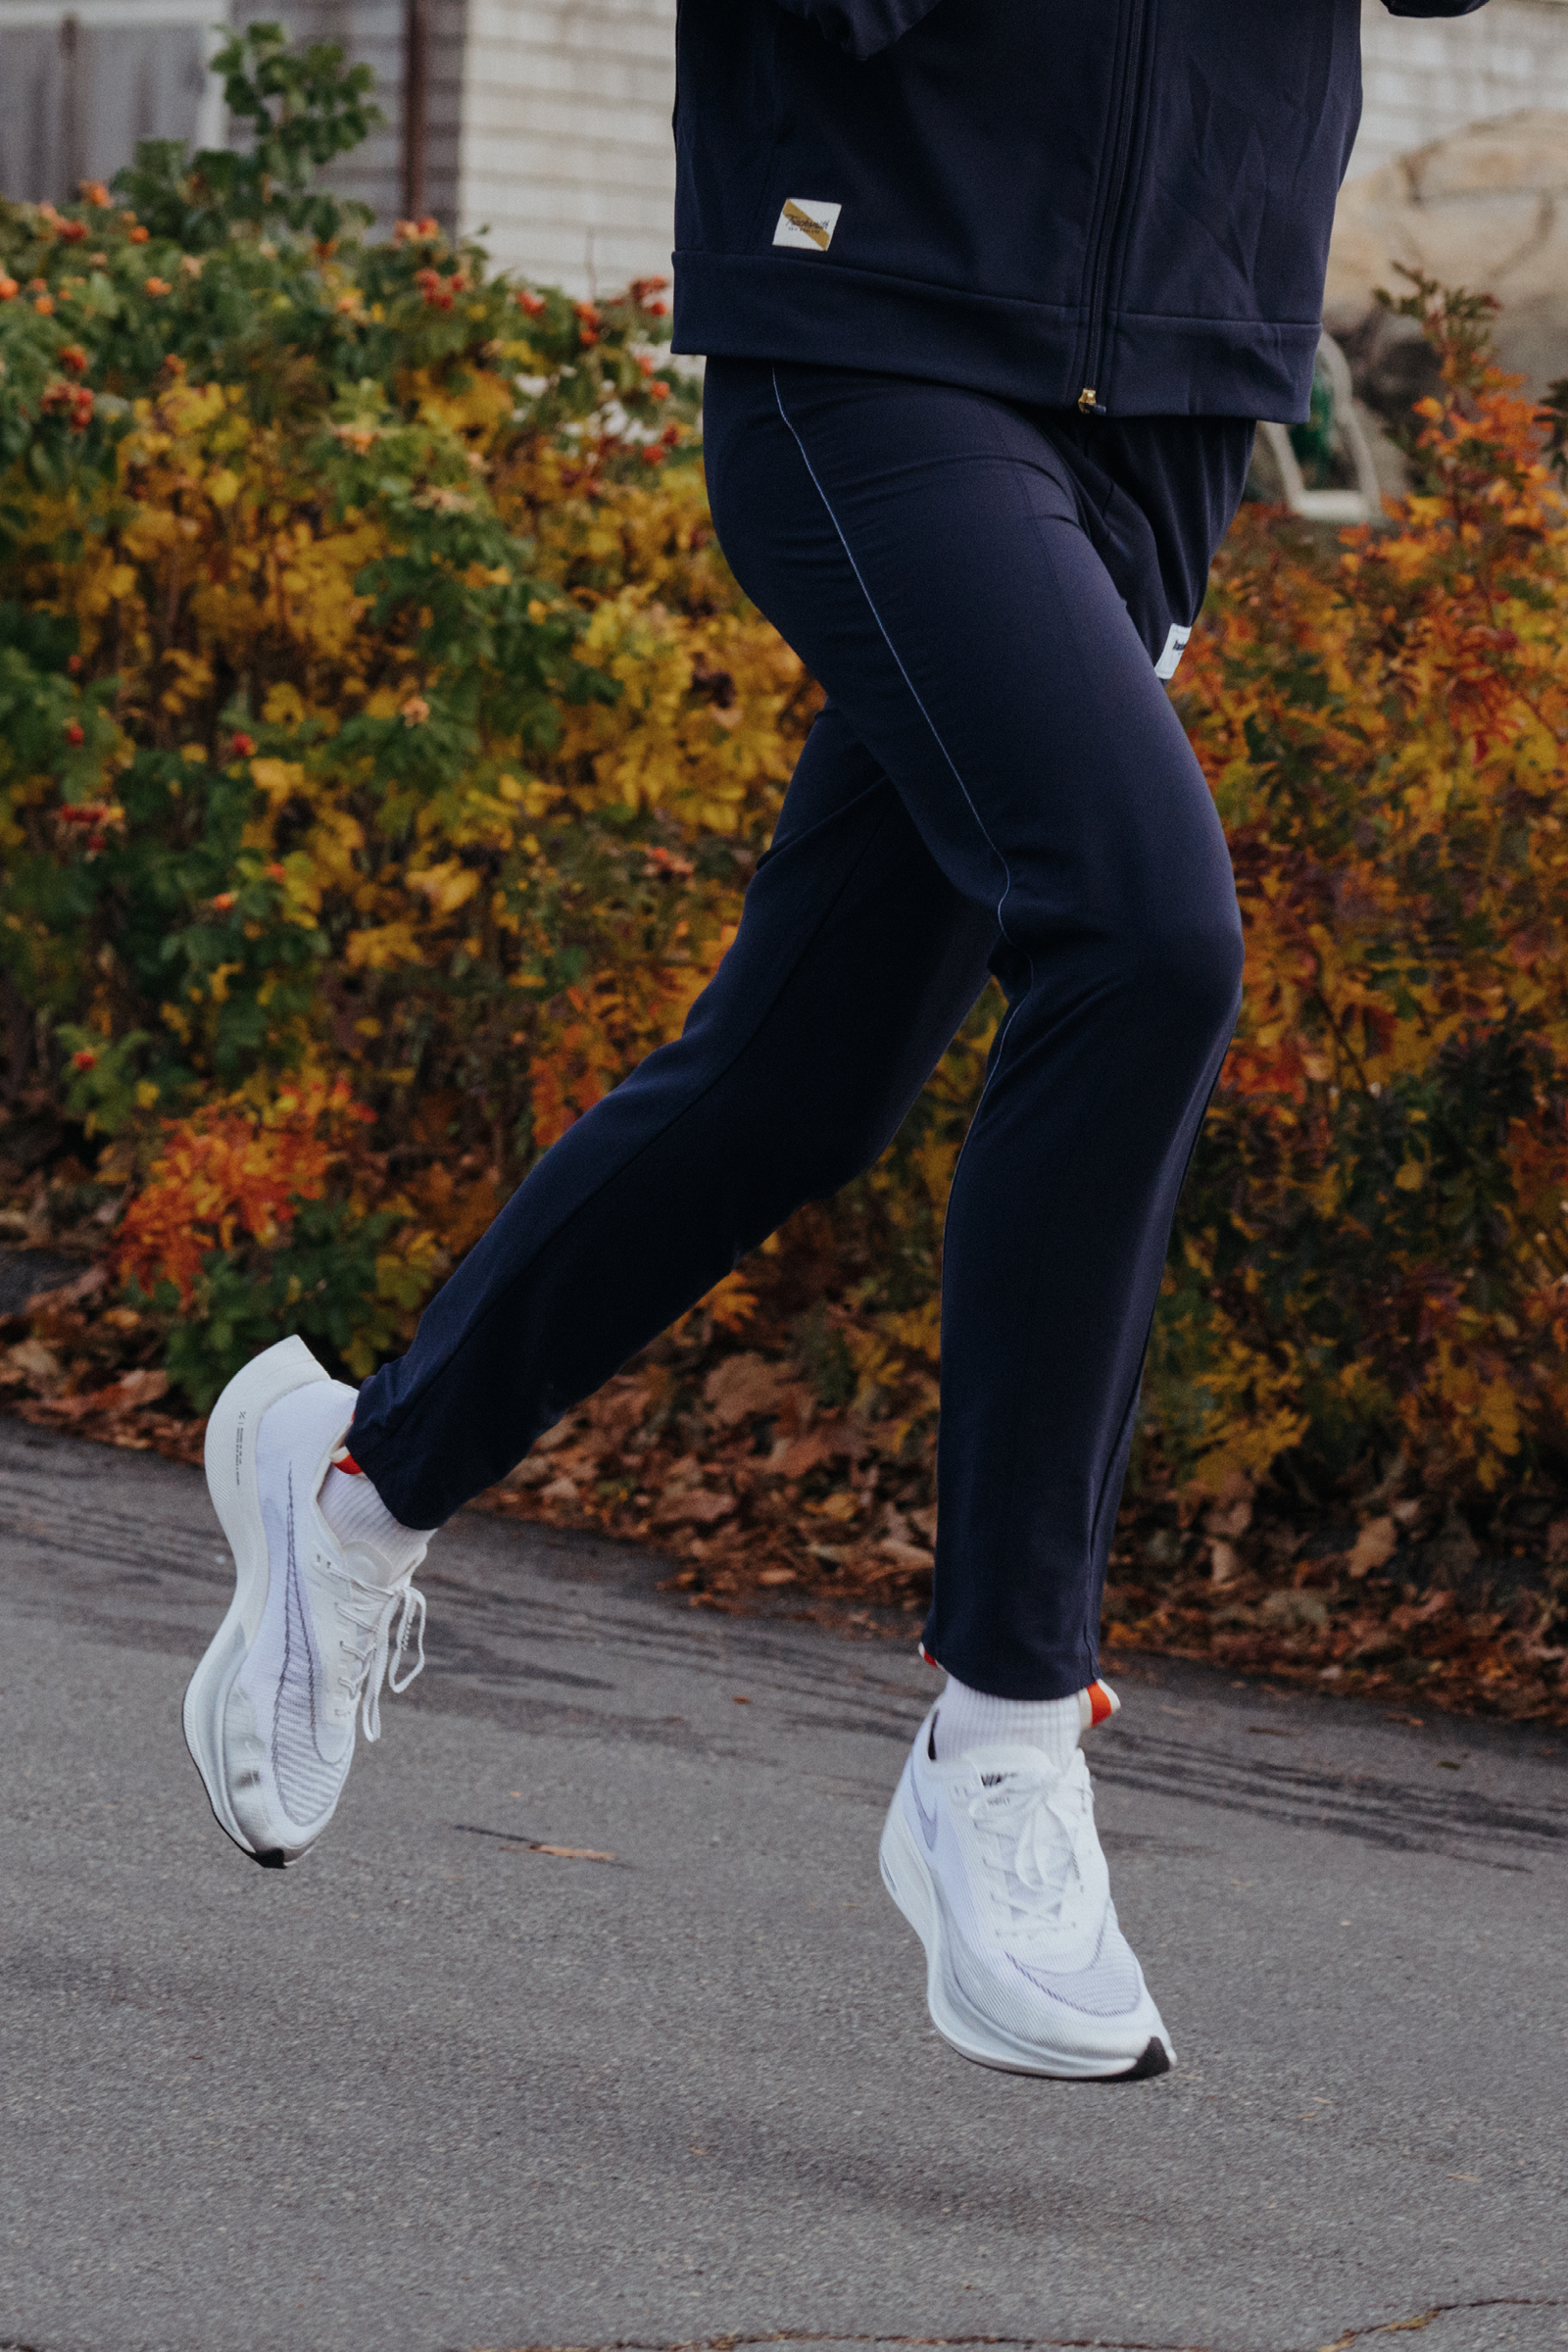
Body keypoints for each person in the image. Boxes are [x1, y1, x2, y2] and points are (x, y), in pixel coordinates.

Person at [182, 0, 1491, 2080]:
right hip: (874, 285)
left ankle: (351, 1486)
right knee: (1142, 935)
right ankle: (1004, 1731)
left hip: (1171, 348)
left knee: (805, 1074)